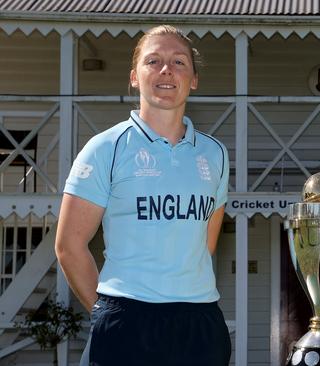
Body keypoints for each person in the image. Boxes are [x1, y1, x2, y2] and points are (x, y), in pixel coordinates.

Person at [55, 25, 231, 366]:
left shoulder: (216, 154)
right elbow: (68, 247)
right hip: (126, 318)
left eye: (179, 62)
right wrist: (108, 312)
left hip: (200, 322)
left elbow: (205, 244)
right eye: (154, 61)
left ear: (193, 80)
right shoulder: (105, 148)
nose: (167, 69)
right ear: (135, 77)